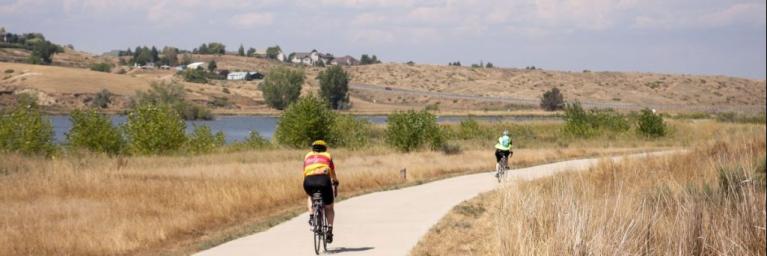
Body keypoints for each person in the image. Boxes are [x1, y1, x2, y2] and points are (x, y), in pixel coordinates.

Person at [303, 140, 339, 243]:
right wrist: (335, 181)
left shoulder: (307, 156)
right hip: (323, 180)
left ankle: (311, 216)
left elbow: (305, 172)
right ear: (325, 148)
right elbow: (332, 172)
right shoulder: (327, 155)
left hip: (308, 181)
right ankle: (329, 230)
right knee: (329, 207)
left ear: (313, 148)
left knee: (310, 196)